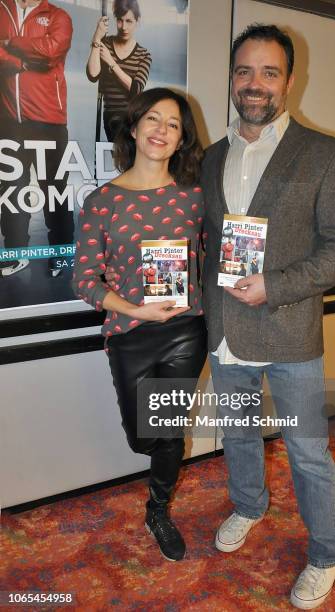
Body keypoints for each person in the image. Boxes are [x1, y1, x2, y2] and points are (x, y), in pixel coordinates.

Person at [201, 24, 335, 609]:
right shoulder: (211, 156)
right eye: (244, 71)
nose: (255, 84)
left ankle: (327, 550)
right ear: (232, 78)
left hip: (291, 332)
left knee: (308, 452)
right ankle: (248, 505)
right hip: (225, 332)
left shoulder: (325, 154)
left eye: (269, 72)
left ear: (290, 81)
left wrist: (275, 285)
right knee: (239, 436)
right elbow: (202, 239)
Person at [72, 87, 207, 562]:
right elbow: (83, 278)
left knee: (168, 430)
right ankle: (157, 480)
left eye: (173, 124)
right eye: (153, 119)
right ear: (133, 127)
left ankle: (158, 510)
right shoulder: (102, 200)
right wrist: (134, 309)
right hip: (129, 333)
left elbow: (214, 255)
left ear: (181, 138)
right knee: (142, 437)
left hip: (185, 330)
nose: (162, 130)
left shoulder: (194, 196)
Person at [0, 0, 74, 277]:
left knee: (55, 192)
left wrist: (10, 41)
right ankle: (16, 255)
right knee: (11, 192)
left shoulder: (57, 16)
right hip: (9, 122)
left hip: (49, 122)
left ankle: (62, 255)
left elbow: (51, 51)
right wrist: (20, 60)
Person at [87, 0, 151, 142]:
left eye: (129, 21)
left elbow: (136, 89)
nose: (123, 27)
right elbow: (92, 75)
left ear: (137, 22)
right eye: (120, 21)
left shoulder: (143, 55)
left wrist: (111, 62)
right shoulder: (105, 44)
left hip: (134, 118)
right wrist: (97, 37)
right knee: (124, 160)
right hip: (112, 117)